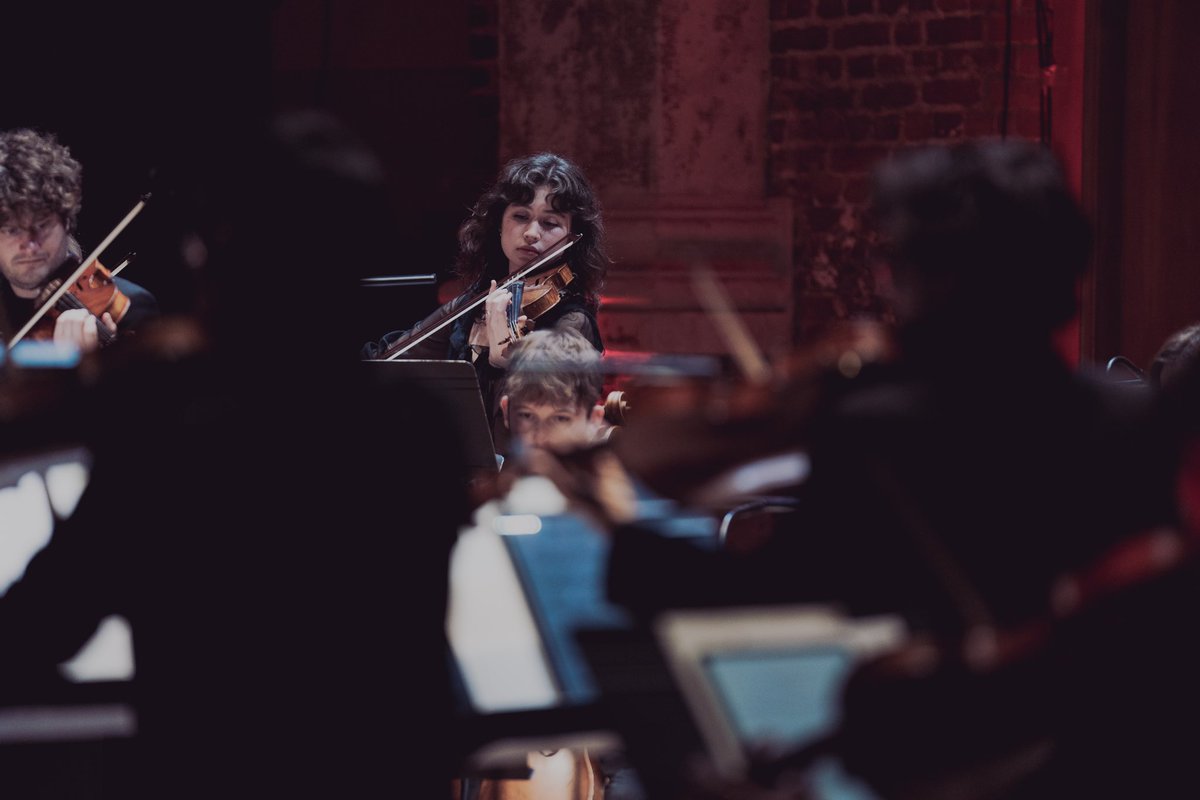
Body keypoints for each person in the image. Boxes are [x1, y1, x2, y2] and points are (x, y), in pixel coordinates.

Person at [527, 139, 1183, 799]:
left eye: (897, 259)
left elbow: (768, 602)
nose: (883, 282)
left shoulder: (884, 430)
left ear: (937, 278)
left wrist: (617, 531)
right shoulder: (1136, 418)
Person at [0, 111, 468, 798]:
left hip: (207, 769)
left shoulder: (177, 425)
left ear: (214, 255)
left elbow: (42, 626)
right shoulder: (420, 424)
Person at [361, 152, 609, 456]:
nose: (532, 233)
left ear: (572, 236)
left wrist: (506, 355)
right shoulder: (475, 303)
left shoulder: (572, 322)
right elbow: (390, 361)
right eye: (520, 216)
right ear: (499, 224)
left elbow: (545, 422)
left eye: (550, 223)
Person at [0, 128, 158, 351]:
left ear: (67, 221)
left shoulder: (132, 307)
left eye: (42, 225)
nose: (30, 244)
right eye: (12, 230)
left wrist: (92, 369)